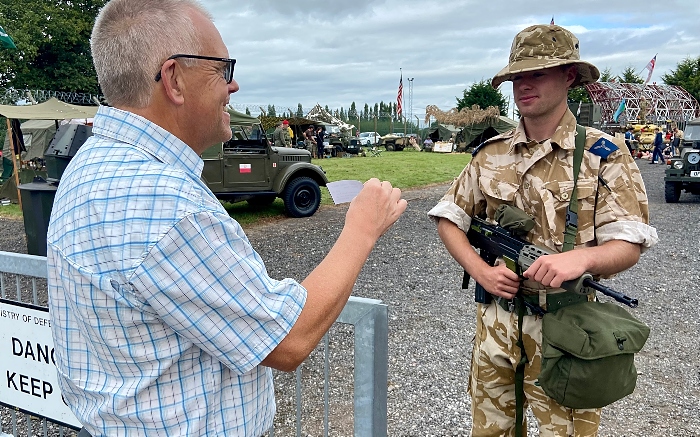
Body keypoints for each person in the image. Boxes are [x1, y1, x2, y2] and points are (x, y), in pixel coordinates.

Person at [45, 1, 407, 436]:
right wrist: (362, 229)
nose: (233, 85)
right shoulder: (167, 204)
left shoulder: (91, 164)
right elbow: (288, 340)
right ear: (174, 79)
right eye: (222, 69)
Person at [428, 24, 658, 436]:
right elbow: (449, 218)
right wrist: (480, 271)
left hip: (566, 330)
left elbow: (629, 242)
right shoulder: (491, 153)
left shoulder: (603, 154)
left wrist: (581, 259)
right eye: (517, 76)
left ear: (569, 76)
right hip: (495, 327)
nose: (523, 86)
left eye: (536, 74)